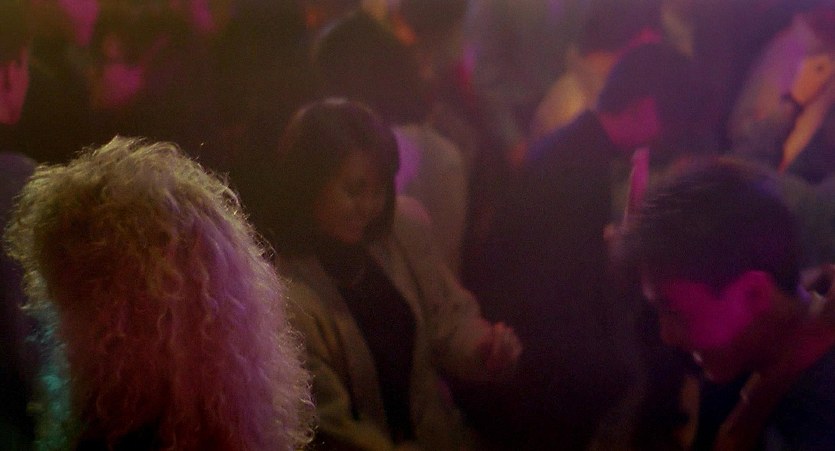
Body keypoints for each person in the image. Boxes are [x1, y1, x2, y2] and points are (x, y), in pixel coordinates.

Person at [3, 137, 314, 449]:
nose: (58, 331)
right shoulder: (237, 415)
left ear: (118, 316)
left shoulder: (116, 429)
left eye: (70, 301)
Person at [466, 42, 697, 449]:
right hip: (531, 368)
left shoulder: (578, 150)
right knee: (638, 368)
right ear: (644, 109)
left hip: (531, 335)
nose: (670, 138)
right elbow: (554, 295)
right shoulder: (577, 171)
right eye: (673, 124)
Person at [269, 98, 521, 450]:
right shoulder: (287, 294)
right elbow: (329, 424)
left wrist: (485, 348)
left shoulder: (402, 230)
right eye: (355, 189)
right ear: (308, 182)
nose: (370, 205)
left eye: (380, 189)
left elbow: (448, 320)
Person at [627, 158, 835, 450]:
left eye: (675, 312)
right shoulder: (742, 359)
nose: (666, 335)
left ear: (754, 293)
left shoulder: (814, 421)